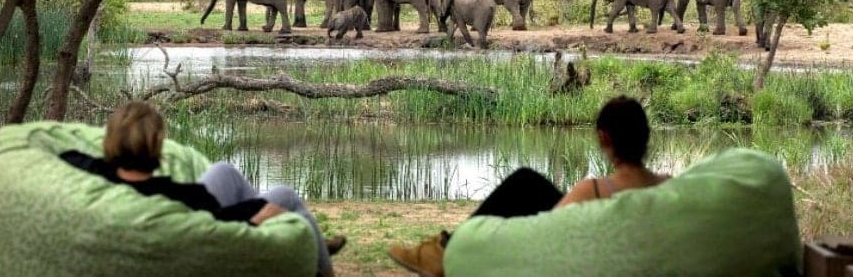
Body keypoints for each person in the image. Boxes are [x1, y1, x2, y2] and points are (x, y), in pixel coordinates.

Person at [388, 96, 669, 277]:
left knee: (525, 183)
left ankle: (443, 251)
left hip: (601, 260)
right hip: (636, 256)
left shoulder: (593, 190)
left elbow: (542, 234)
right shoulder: (671, 186)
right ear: (645, 137)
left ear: (604, 138)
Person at [60, 101, 345, 277]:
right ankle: (322, 265)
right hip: (206, 231)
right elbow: (213, 234)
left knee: (225, 170)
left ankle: (314, 240)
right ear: (157, 145)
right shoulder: (182, 195)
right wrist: (253, 220)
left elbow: (66, 155)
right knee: (284, 195)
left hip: (182, 218)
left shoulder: (95, 173)